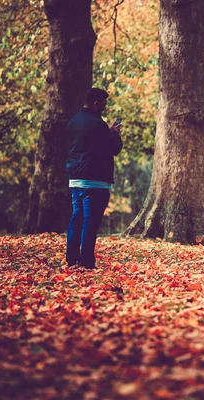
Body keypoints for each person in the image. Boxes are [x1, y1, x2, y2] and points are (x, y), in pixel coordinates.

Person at [65, 88, 123, 269]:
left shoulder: (73, 122)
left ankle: (71, 258)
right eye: (103, 104)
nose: (104, 108)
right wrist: (114, 133)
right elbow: (113, 148)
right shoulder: (98, 125)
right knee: (90, 222)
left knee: (77, 218)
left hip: (75, 179)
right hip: (95, 181)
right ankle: (87, 261)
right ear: (96, 103)